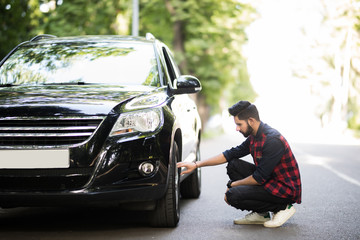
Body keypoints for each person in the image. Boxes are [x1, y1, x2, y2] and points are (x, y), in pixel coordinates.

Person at [177, 100, 302, 228]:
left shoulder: (272, 140)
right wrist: (196, 164)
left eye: (239, 124)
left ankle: (283, 207)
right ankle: (261, 214)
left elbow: (259, 178)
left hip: (284, 190)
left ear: (251, 121)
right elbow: (230, 154)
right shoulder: (254, 136)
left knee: (233, 195)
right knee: (233, 165)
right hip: (270, 181)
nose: (237, 128)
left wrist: (232, 185)